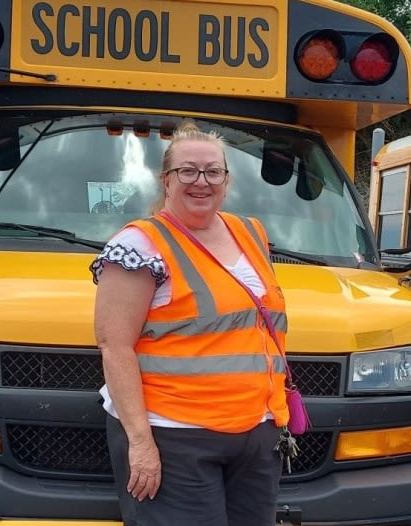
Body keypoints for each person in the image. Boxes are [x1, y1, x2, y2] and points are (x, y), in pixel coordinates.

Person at [90, 119, 289, 526]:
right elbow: (115, 347)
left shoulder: (250, 233)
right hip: (176, 436)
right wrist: (141, 443)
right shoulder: (139, 244)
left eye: (213, 171)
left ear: (227, 180)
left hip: (257, 432)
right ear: (166, 179)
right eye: (188, 171)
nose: (202, 181)